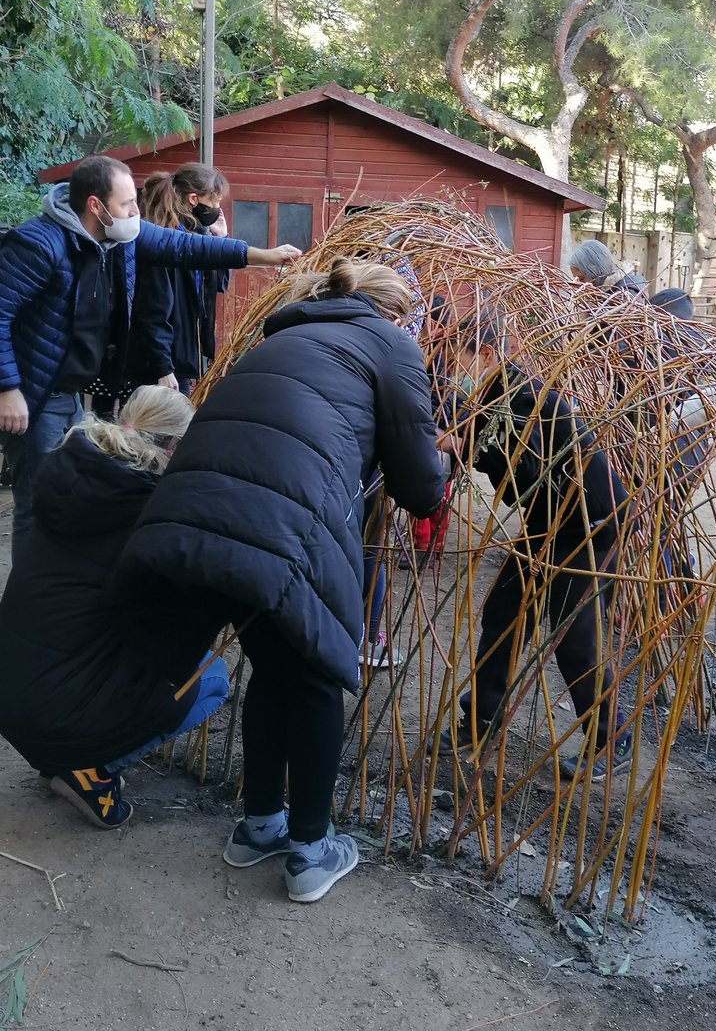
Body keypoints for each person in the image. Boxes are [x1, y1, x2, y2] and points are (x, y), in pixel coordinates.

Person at [114, 257, 445, 902]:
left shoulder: (281, 336)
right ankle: (312, 854)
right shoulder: (390, 342)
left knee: (273, 665)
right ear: (393, 308)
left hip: (200, 512)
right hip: (285, 517)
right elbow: (421, 487)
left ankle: (260, 824)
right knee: (318, 673)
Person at [0, 154, 301, 558]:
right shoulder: (39, 244)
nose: (135, 212)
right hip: (37, 392)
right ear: (96, 205)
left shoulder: (119, 239)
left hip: (69, 390)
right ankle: (29, 603)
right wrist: (8, 387)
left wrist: (263, 255)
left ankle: (57, 582)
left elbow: (186, 247)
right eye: (127, 204)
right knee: (37, 502)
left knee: (66, 491)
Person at [0, 386, 229, 830]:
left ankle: (63, 753)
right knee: (210, 677)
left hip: (11, 694)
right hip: (51, 711)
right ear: (177, 446)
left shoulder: (69, 475)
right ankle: (88, 772)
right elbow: (175, 622)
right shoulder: (148, 512)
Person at [432, 320, 632, 780]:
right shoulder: (490, 397)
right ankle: (480, 719)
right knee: (505, 614)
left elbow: (526, 467)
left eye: (458, 357)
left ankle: (611, 735)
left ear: (484, 354)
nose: (450, 368)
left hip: (587, 522)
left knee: (574, 635)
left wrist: (465, 445)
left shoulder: (522, 396)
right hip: (549, 520)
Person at [128, 163, 232, 397]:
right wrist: (162, 366)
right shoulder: (166, 241)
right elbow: (151, 309)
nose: (217, 209)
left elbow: (218, 285)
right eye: (215, 202)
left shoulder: (193, 236)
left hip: (180, 357)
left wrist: (220, 238)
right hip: (162, 363)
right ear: (194, 199)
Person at [569, 239, 647, 296]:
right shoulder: (608, 290)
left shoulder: (627, 294)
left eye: (581, 278)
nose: (578, 284)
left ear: (595, 271)